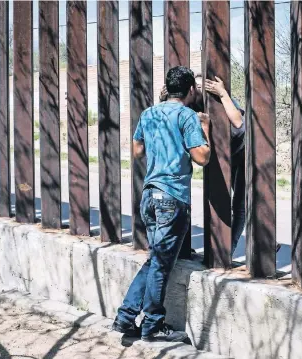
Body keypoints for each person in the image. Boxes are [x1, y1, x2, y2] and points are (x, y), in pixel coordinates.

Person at [112, 66, 211, 342]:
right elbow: (202, 157)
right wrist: (206, 130)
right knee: (160, 265)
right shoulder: (187, 116)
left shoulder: (148, 113)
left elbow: (136, 150)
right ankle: (152, 325)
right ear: (191, 90)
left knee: (155, 260)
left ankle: (126, 316)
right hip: (172, 197)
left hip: (149, 195)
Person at [160, 73, 280, 256]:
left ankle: (234, 250)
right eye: (197, 86)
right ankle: (266, 242)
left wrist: (223, 94)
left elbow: (240, 124)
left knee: (242, 204)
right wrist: (163, 99)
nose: (200, 89)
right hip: (224, 156)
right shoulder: (188, 108)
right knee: (226, 202)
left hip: (245, 151)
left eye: (203, 86)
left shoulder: (218, 99)